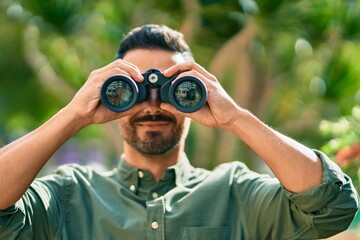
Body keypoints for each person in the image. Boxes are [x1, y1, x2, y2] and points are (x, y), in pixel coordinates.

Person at [0, 24, 358, 240]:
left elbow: (332, 206)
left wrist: (234, 116)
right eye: (132, 89)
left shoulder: (236, 193)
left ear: (200, 92)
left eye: (178, 90)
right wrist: (75, 114)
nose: (153, 105)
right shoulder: (67, 196)